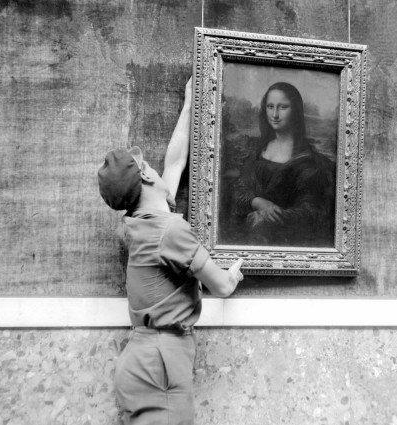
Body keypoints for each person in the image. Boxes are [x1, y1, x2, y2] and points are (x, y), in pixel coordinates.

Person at [97, 78, 244, 425]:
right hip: (160, 364)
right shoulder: (170, 231)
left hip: (144, 360)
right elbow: (221, 286)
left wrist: (192, 103)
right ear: (147, 180)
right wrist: (234, 273)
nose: (156, 169)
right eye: (148, 167)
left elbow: (175, 161)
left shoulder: (142, 222)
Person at [231, 82, 336, 247]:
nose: (274, 114)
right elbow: (238, 190)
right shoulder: (257, 151)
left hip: (284, 240)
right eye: (270, 106)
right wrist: (257, 202)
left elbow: (311, 212)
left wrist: (270, 217)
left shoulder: (310, 162)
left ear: (295, 111)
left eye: (283, 107)